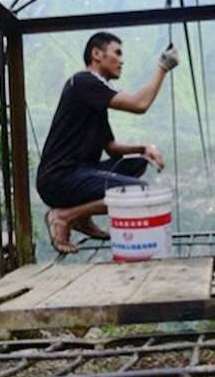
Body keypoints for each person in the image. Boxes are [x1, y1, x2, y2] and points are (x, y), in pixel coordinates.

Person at [37, 31, 179, 254]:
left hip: (79, 173)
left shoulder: (94, 94)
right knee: (139, 192)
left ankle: (83, 218)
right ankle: (63, 216)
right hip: (60, 179)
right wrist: (162, 67)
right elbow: (139, 104)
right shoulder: (85, 82)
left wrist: (143, 149)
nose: (121, 60)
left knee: (137, 162)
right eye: (117, 53)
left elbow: (110, 147)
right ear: (97, 54)